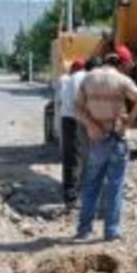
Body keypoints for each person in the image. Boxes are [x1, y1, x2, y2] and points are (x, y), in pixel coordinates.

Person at [73, 45, 137, 241]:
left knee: (91, 185)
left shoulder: (88, 78)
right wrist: (129, 120)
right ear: (121, 64)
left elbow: (77, 108)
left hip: (97, 139)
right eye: (127, 66)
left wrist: (91, 125)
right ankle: (111, 231)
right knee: (115, 186)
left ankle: (84, 230)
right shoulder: (122, 80)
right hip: (117, 137)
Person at [57, 59, 87, 207]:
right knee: (78, 158)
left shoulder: (65, 79)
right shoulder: (82, 77)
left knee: (70, 158)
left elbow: (60, 100)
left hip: (66, 119)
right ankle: (73, 196)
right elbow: (79, 101)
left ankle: (69, 194)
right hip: (77, 119)